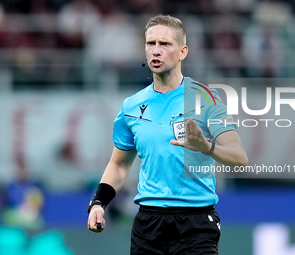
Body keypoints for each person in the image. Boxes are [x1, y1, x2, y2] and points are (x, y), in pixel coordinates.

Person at [87, 14, 248, 254]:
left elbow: (239, 158)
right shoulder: (131, 106)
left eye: (165, 44)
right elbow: (119, 165)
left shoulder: (206, 98)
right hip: (148, 225)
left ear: (183, 52)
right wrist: (98, 203)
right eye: (151, 44)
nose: (156, 51)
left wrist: (207, 147)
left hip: (196, 224)